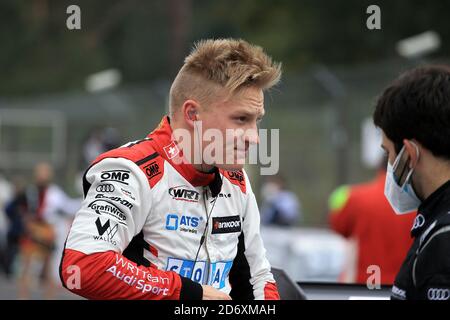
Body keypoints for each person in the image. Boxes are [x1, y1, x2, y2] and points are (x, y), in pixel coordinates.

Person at [60, 38, 282, 300]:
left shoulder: (236, 179)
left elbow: (259, 277)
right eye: (241, 119)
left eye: (256, 121)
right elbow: (82, 267)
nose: (254, 138)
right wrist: (189, 293)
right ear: (192, 115)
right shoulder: (130, 171)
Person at [373, 65, 450, 300]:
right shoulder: (437, 222)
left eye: (389, 154)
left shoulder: (443, 240)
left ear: (410, 153)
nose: (390, 165)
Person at [328, 158, 414, 284]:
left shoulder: (356, 198)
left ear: (379, 168)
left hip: (367, 285)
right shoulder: (419, 205)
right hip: (405, 287)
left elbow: (339, 226)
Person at [16, 162, 80, 299]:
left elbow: (69, 206)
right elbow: (21, 211)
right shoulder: (30, 191)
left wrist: (84, 202)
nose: (42, 175)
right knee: (26, 268)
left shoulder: (54, 193)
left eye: (45, 172)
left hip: (47, 231)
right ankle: (23, 297)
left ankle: (49, 297)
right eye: (40, 172)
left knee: (48, 268)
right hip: (32, 230)